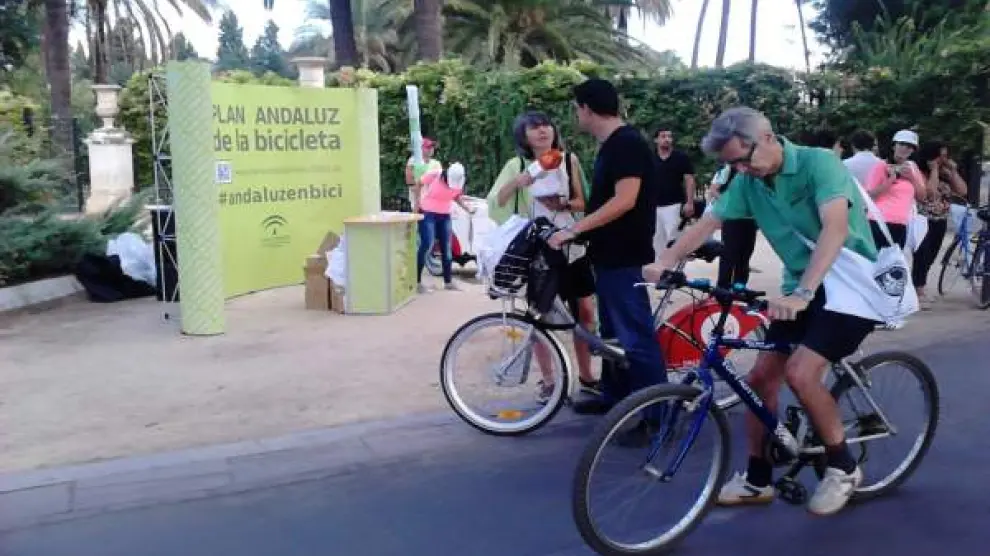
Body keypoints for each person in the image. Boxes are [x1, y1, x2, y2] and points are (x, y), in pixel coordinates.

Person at [645, 107, 881, 516]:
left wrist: (804, 292)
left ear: (768, 137)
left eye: (743, 159)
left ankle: (843, 468)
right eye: (732, 164)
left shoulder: (818, 164)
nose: (740, 169)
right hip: (799, 289)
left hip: (850, 289)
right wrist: (664, 260)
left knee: (801, 373)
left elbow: (835, 228)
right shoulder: (749, 182)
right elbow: (706, 224)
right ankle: (757, 480)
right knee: (758, 381)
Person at [547, 78, 667, 441]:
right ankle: (615, 397)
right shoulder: (614, 144)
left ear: (587, 108)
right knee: (614, 335)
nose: (576, 115)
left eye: (576, 108)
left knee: (636, 338)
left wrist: (574, 229)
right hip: (609, 254)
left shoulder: (626, 143)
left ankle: (658, 417)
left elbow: (625, 199)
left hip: (625, 255)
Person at [487, 111, 600, 402]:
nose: (542, 131)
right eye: (534, 127)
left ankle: (587, 376)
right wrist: (519, 181)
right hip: (537, 250)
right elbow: (497, 201)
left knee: (585, 312)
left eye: (546, 125)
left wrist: (562, 205)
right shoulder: (517, 165)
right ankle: (549, 381)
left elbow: (583, 201)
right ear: (523, 136)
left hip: (571, 245)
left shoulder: (569, 159)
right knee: (539, 315)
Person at [912, 141, 969, 309]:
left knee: (931, 255)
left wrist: (953, 171)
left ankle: (918, 286)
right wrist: (934, 170)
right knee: (922, 255)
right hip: (923, 218)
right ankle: (919, 291)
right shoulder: (919, 172)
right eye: (940, 156)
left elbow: (963, 191)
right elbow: (930, 192)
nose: (943, 159)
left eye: (945, 156)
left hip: (940, 219)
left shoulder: (945, 172)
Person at [863, 130, 926, 250]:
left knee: (894, 260)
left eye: (909, 146)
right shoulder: (881, 165)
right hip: (879, 221)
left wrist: (911, 178)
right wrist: (892, 178)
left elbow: (922, 197)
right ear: (894, 146)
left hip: (901, 223)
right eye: (901, 144)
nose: (905, 148)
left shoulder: (912, 168)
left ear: (913, 150)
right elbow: (870, 195)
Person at [416, 163, 474, 293]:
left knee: (447, 248)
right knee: (427, 244)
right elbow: (419, 183)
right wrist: (417, 203)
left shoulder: (459, 182)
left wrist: (466, 207)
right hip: (428, 212)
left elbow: (455, 196)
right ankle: (417, 282)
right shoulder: (435, 175)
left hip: (445, 214)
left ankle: (448, 282)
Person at [651, 126, 697, 262]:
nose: (667, 139)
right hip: (653, 207)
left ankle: (676, 271)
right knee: (656, 243)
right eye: (663, 136)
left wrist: (689, 202)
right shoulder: (649, 158)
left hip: (674, 206)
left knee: (675, 242)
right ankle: (660, 271)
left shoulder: (680, 157)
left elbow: (689, 179)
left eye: (669, 136)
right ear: (656, 140)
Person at [709, 165, 758, 289]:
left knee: (745, 254)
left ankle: (739, 287)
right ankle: (723, 287)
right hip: (731, 218)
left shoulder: (754, 171)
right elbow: (713, 190)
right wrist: (729, 203)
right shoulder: (727, 169)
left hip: (750, 218)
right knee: (728, 253)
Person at [405, 137, 442, 212]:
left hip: (433, 203)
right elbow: (409, 181)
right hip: (418, 203)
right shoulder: (413, 161)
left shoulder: (436, 163)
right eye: (428, 147)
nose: (431, 149)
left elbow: (440, 182)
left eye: (432, 147)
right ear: (421, 149)